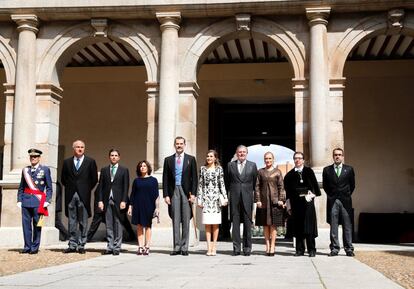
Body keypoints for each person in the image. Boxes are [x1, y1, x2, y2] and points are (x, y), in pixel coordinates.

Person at [162, 136, 198, 256]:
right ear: (174, 145)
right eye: (177, 144)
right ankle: (176, 247)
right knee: (175, 219)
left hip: (186, 192)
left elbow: (195, 179)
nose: (179, 145)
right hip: (173, 191)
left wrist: (193, 194)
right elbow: (165, 178)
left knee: (186, 219)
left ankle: (184, 247)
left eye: (181, 144)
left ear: (184, 145)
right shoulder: (168, 160)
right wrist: (166, 195)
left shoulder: (191, 159)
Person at [61, 140, 98, 254]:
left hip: (84, 195)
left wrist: (86, 189)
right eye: (77, 147)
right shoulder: (67, 162)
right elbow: (63, 179)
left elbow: (94, 179)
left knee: (83, 221)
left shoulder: (90, 161)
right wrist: (71, 188)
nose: (80, 149)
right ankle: (72, 244)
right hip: (71, 194)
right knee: (72, 221)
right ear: (74, 148)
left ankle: (81, 244)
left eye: (82, 147)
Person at [284, 151, 321, 257]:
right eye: (295, 158)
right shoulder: (289, 175)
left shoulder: (309, 172)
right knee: (298, 227)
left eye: (300, 158)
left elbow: (316, 189)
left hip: (308, 204)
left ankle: (311, 250)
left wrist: (311, 194)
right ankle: (299, 250)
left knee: (309, 227)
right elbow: (288, 194)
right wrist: (289, 206)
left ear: (303, 160)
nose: (297, 160)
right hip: (296, 205)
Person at [17, 148, 53, 254]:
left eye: (35, 157)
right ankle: (27, 246)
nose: (33, 158)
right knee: (26, 225)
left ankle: (35, 247)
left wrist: (48, 200)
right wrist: (19, 199)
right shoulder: (25, 170)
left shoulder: (45, 169)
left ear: (39, 158)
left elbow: (49, 187)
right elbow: (21, 186)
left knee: (38, 225)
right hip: (26, 201)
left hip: (39, 202)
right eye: (31, 157)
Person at [323, 148, 356, 257]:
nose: (337, 156)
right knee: (334, 225)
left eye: (340, 155)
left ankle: (349, 248)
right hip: (333, 200)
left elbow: (352, 185)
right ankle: (335, 248)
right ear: (333, 156)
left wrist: (346, 194)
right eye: (336, 155)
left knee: (347, 225)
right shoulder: (327, 170)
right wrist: (332, 195)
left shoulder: (349, 169)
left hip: (345, 201)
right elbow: (326, 186)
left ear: (342, 156)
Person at [226, 145, 258, 256]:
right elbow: (227, 182)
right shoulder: (230, 165)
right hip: (234, 199)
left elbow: (255, 184)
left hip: (248, 198)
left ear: (247, 153)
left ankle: (247, 248)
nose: (242, 154)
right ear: (236, 153)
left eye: (244, 152)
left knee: (247, 225)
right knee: (235, 225)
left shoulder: (252, 166)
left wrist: (254, 197)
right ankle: (236, 248)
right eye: (239, 152)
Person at [98, 149, 130, 256]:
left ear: (119, 157)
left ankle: (117, 246)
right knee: (109, 224)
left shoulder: (124, 170)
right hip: (107, 200)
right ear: (109, 157)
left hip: (119, 200)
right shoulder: (104, 170)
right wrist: (100, 200)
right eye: (112, 155)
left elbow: (126, 187)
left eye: (116, 155)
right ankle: (110, 246)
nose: (114, 157)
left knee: (118, 223)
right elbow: (101, 187)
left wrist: (124, 200)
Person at [197, 150, 228, 256]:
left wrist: (225, 198)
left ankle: (214, 247)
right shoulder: (202, 169)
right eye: (207, 156)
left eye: (211, 156)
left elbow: (222, 185)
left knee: (215, 224)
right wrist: (199, 200)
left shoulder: (219, 169)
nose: (209, 158)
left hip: (216, 200)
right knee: (207, 224)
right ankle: (208, 247)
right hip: (206, 199)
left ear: (215, 158)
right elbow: (200, 185)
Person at [255, 152, 286, 256]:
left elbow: (281, 187)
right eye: (266, 158)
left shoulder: (277, 172)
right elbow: (257, 187)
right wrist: (258, 200)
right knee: (265, 224)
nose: (267, 160)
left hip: (275, 202)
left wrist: (281, 199)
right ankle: (267, 245)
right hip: (263, 202)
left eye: (269, 158)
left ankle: (273, 246)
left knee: (273, 225)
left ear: (273, 159)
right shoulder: (260, 172)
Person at [128, 160, 159, 255]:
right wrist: (130, 207)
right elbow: (132, 195)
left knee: (148, 226)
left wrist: (157, 208)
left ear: (148, 168)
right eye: (141, 166)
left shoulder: (153, 180)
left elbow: (156, 195)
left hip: (149, 205)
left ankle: (147, 246)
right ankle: (140, 246)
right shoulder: (136, 181)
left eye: (144, 166)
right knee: (139, 226)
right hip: (138, 205)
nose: (142, 167)